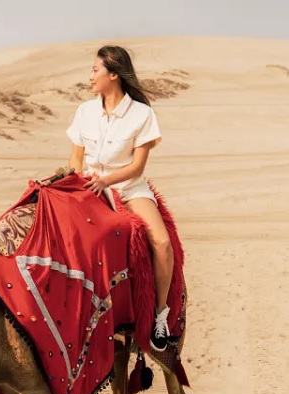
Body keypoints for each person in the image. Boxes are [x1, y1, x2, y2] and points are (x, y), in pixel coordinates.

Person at [65, 45, 174, 352]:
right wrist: (76, 183)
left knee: (162, 244)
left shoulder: (142, 114)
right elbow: (76, 159)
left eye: (95, 70)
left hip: (128, 189)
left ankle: (160, 316)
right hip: (88, 188)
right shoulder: (85, 111)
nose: (90, 77)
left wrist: (106, 180)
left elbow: (137, 166)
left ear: (114, 74)